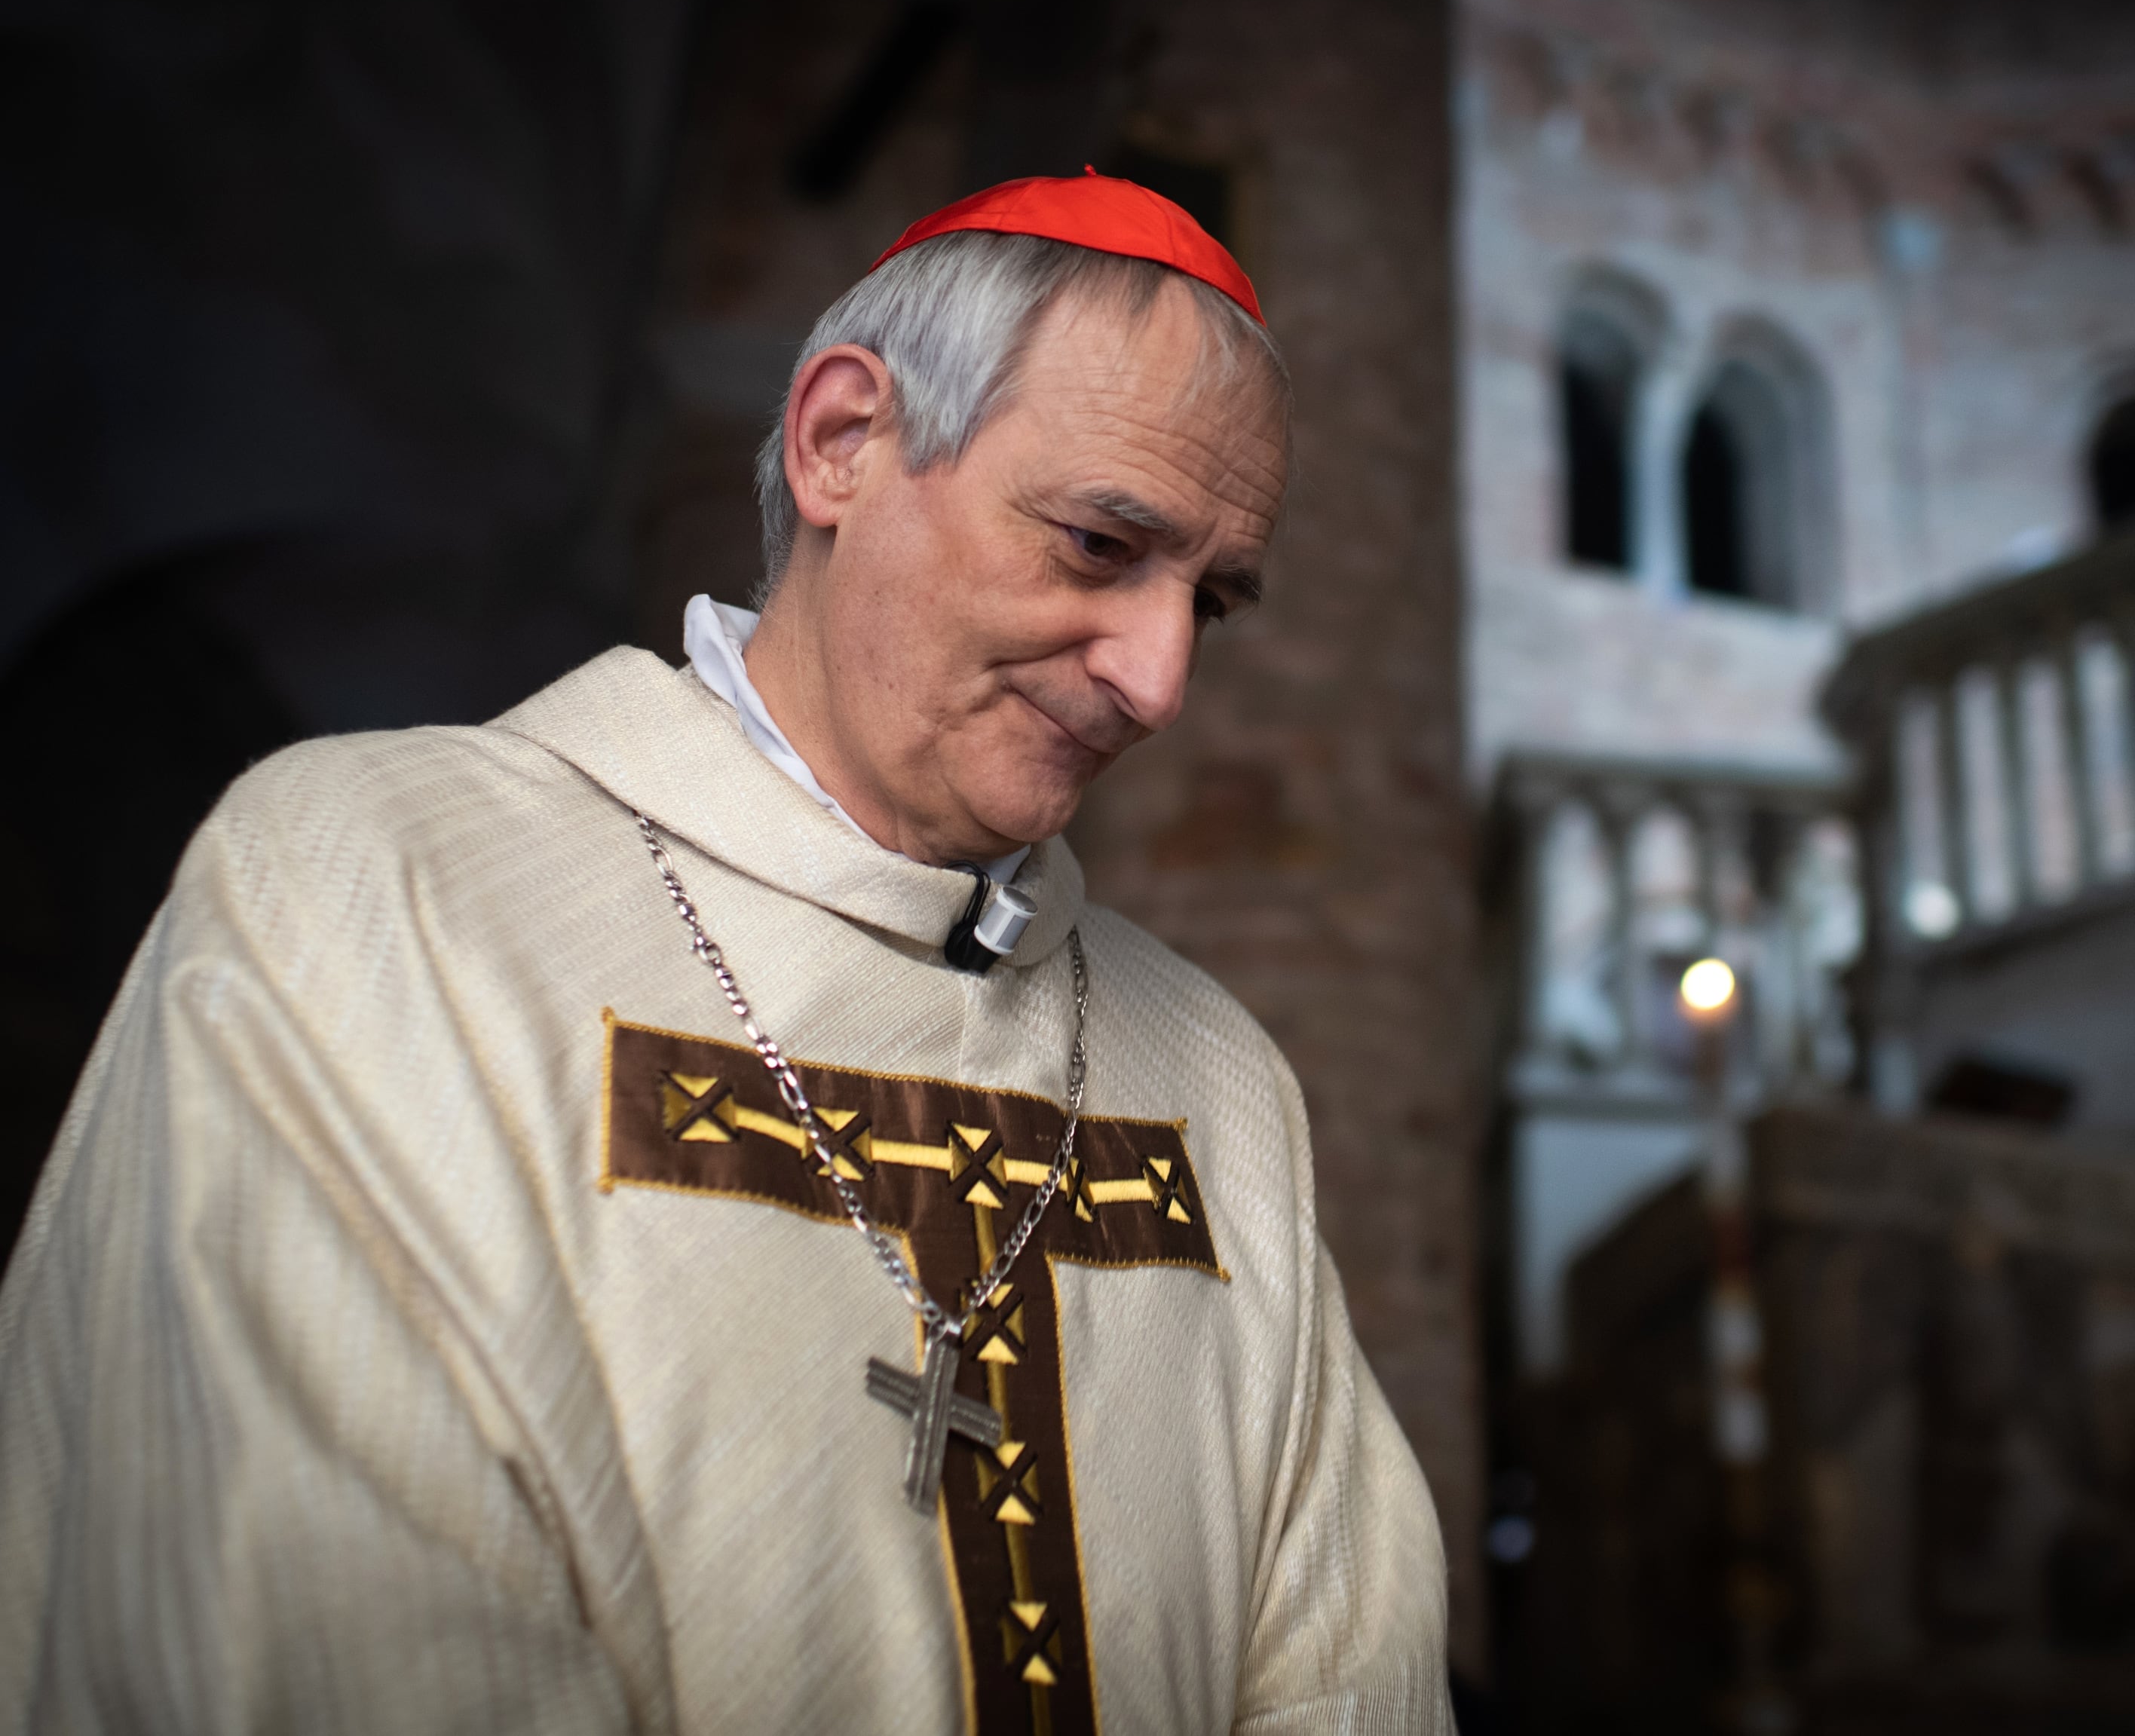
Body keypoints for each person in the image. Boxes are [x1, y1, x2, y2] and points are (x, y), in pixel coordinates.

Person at [0, 172, 1454, 1734]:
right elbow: (313, 1638)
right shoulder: (374, 886)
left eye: (1209, 602)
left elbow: (1346, 1674)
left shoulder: (1218, 1081)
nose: (1159, 678)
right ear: (842, 443)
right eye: (1103, 545)